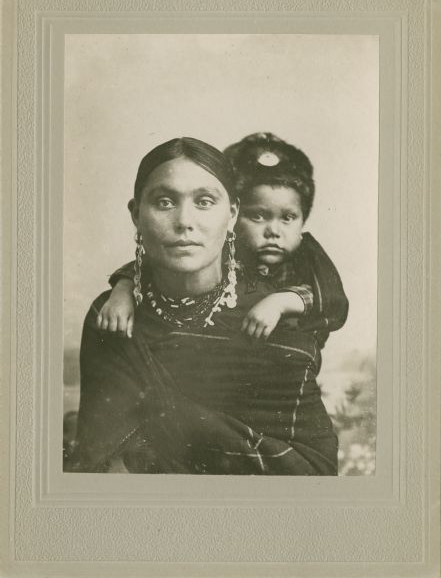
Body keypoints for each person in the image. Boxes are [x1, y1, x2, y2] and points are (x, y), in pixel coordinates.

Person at [71, 137, 348, 475]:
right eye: (164, 202)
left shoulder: (277, 320)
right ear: (136, 214)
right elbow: (101, 464)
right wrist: (124, 284)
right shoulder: (112, 316)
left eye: (204, 202)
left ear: (231, 214)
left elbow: (312, 468)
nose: (184, 221)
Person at [98, 133, 347, 346]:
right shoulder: (218, 251)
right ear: (235, 217)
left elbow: (331, 300)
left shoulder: (308, 255)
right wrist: (123, 289)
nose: (273, 231)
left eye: (288, 217)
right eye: (258, 216)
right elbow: (148, 266)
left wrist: (280, 302)